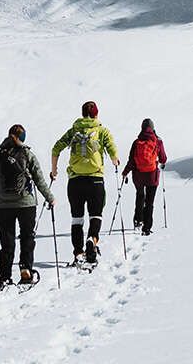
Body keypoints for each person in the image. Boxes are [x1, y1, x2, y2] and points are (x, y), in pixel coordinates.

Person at [0, 123, 55, 291]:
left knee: (7, 242)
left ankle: (4, 277)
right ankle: (25, 268)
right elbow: (39, 179)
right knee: (27, 237)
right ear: (23, 138)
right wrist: (50, 197)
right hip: (26, 204)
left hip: (3, 206)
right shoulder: (28, 155)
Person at [51, 101, 119, 264]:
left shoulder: (74, 130)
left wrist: (54, 171)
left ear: (82, 114)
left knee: (77, 219)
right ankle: (92, 240)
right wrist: (115, 161)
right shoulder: (102, 131)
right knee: (96, 215)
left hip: (75, 181)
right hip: (95, 180)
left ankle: (78, 252)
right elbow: (113, 152)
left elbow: (56, 149)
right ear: (96, 114)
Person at [122, 118, 167, 235]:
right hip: (152, 175)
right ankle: (146, 227)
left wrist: (125, 172)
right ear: (152, 128)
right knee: (149, 201)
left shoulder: (136, 142)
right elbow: (163, 159)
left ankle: (138, 220)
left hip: (138, 176)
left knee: (140, 196)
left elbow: (131, 160)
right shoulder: (157, 141)